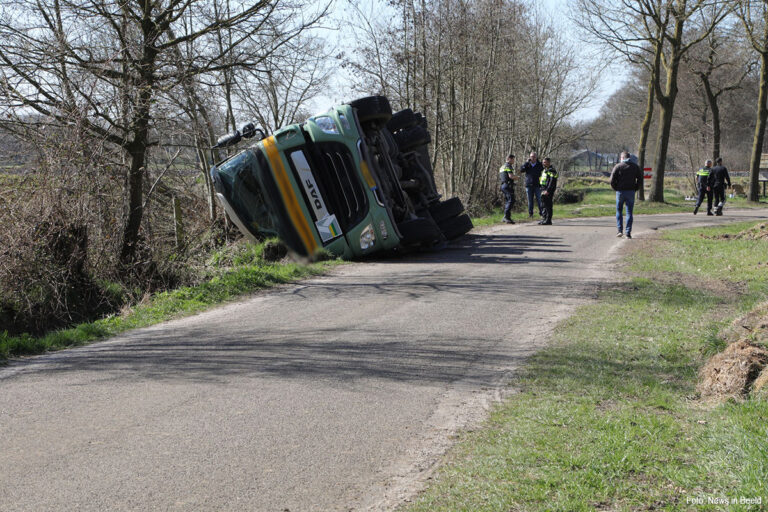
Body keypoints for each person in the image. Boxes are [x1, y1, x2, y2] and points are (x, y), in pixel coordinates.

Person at [610, 151, 643, 239]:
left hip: (620, 191)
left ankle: (620, 230)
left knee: (619, 211)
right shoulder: (635, 167)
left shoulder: (618, 166)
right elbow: (640, 180)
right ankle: (628, 233)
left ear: (622, 158)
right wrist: (635, 188)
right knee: (629, 212)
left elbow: (612, 180)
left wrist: (616, 188)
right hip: (631, 192)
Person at [520, 151, 543, 219]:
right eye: (531, 157)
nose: (532, 158)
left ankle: (542, 213)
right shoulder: (527, 165)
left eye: (534, 157)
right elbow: (521, 170)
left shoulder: (540, 164)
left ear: (536, 157)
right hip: (529, 185)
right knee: (530, 201)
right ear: (529, 157)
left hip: (537, 185)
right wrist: (526, 163)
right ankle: (530, 214)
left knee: (539, 200)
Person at [538, 157, 558, 225]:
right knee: (543, 204)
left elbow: (552, 181)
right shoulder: (544, 170)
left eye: (545, 162)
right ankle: (544, 218)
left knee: (548, 205)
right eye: (543, 162)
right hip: (543, 188)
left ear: (549, 163)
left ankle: (548, 220)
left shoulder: (552, 170)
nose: (543, 163)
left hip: (548, 189)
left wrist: (548, 190)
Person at [499, 154, 517, 224]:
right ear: (509, 159)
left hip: (503, 185)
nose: (513, 161)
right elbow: (511, 176)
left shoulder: (502, 166)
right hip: (508, 186)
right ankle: (507, 217)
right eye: (513, 159)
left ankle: (505, 217)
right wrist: (516, 177)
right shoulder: (508, 166)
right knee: (511, 200)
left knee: (508, 201)